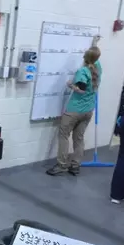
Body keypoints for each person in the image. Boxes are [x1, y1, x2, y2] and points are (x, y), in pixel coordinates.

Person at [46, 42, 102, 176]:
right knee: (79, 138)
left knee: (64, 135)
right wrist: (94, 42)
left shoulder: (82, 71)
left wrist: (71, 85)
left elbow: (81, 90)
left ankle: (62, 165)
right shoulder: (98, 68)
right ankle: (75, 165)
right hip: (88, 110)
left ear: (85, 58)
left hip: (74, 110)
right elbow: (95, 57)